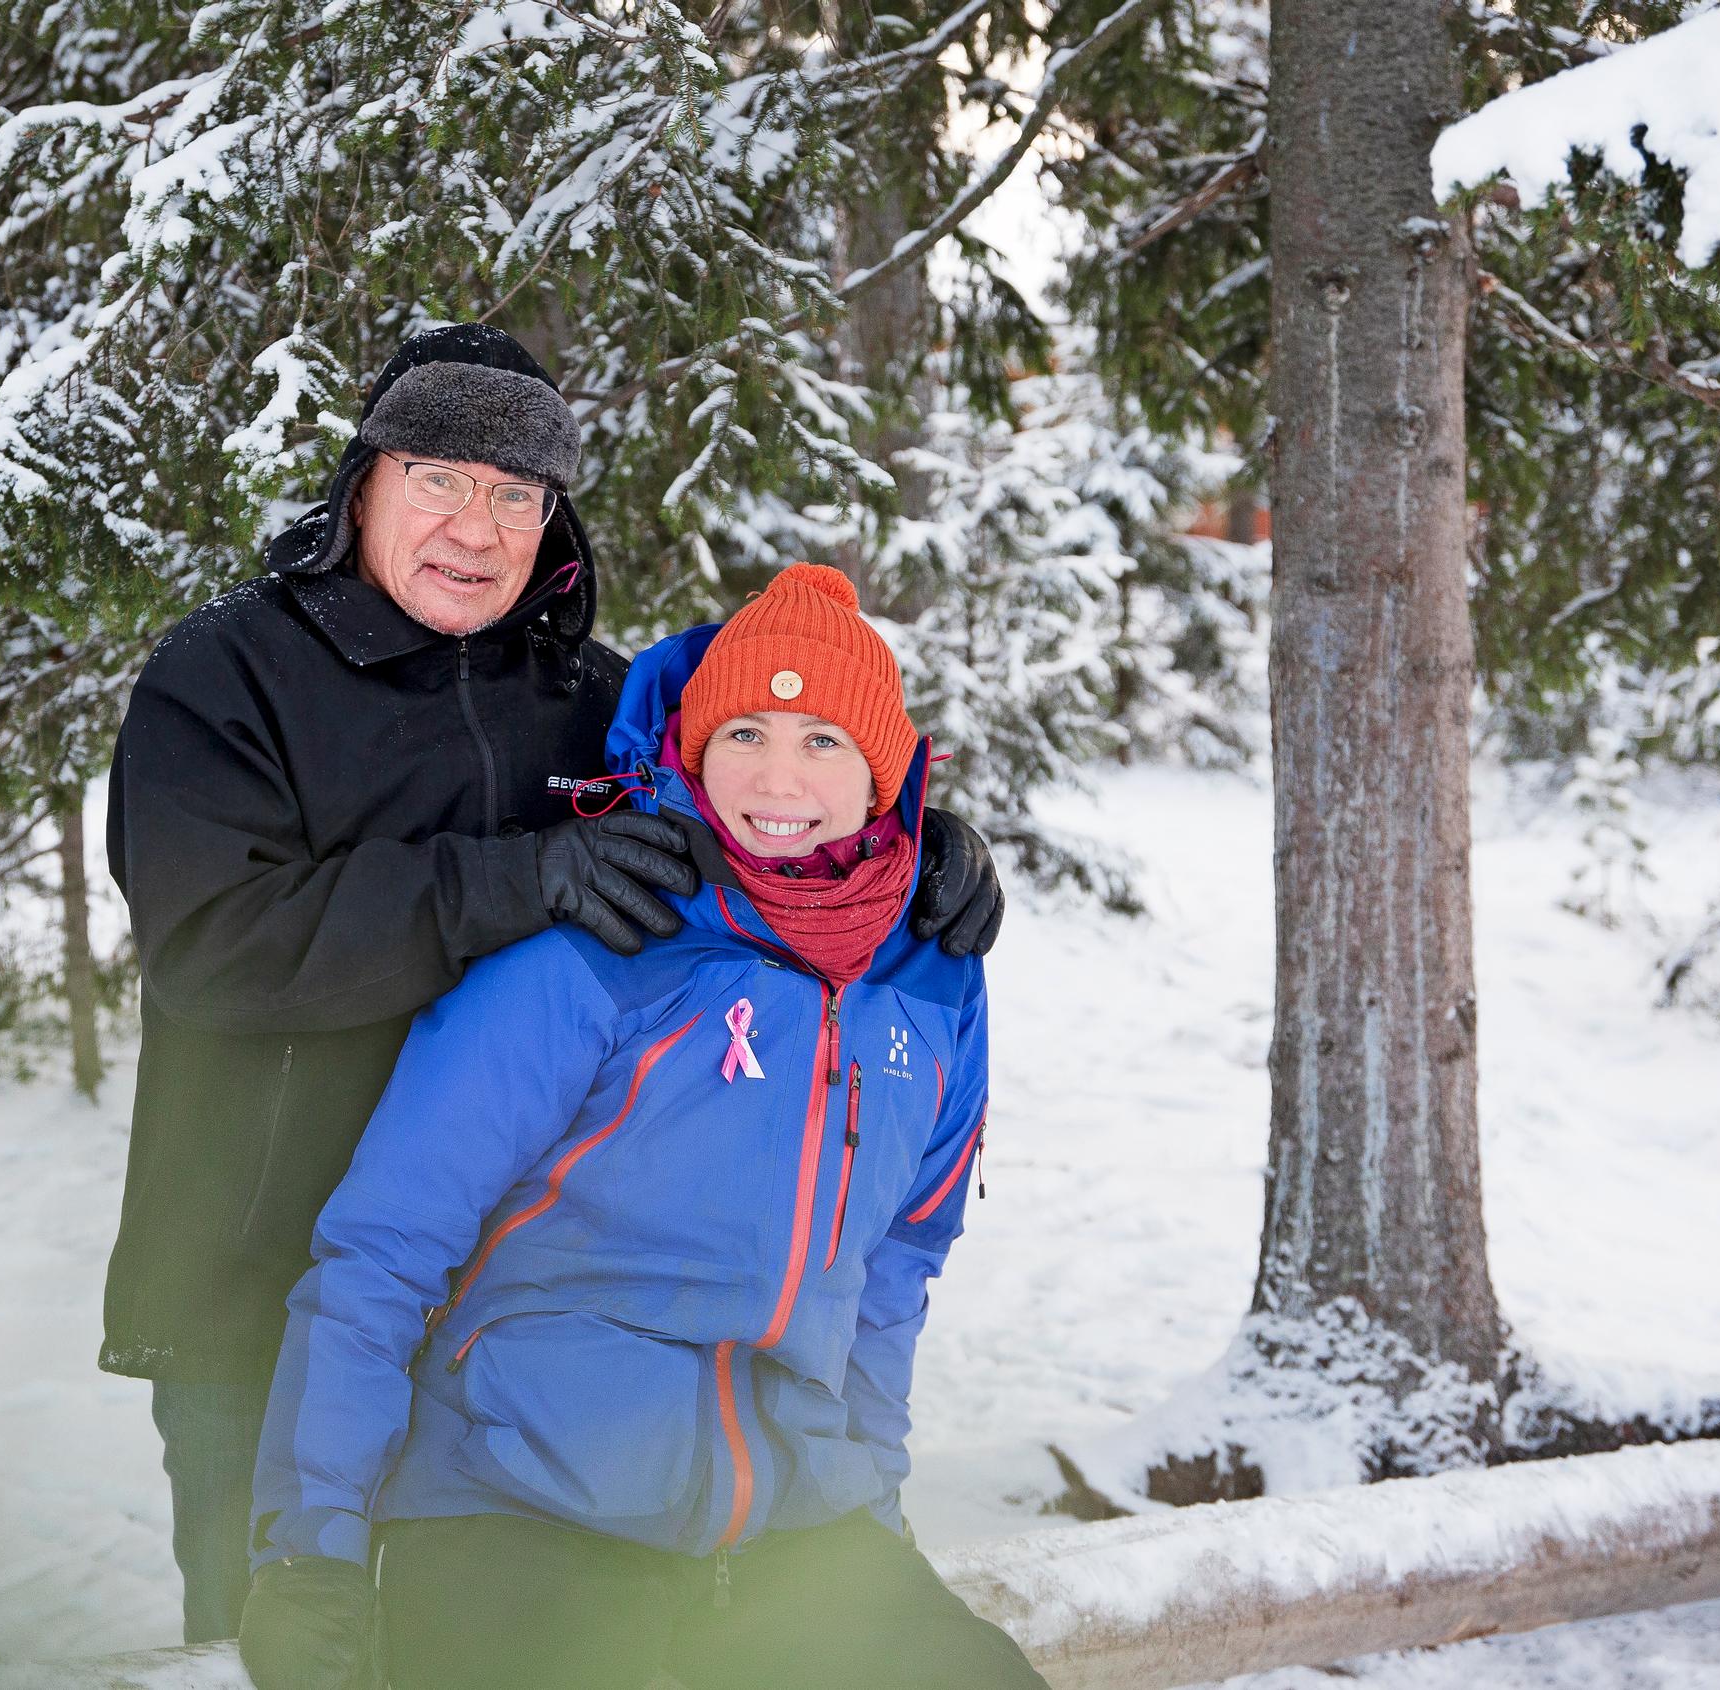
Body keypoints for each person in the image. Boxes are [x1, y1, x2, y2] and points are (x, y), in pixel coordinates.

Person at [103, 326, 1011, 1645]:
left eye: (515, 494)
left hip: (532, 1317)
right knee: (298, 1648)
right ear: (363, 482)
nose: (476, 525)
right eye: (438, 478)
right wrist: (520, 879)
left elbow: (761, 768)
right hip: (268, 1274)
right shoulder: (227, 677)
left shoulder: (587, 696)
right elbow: (215, 943)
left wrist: (914, 836)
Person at [240, 563, 1049, 1690]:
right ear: (690, 750)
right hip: (516, 1501)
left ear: (880, 772)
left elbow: (893, 1269)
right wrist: (310, 1549)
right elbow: (385, 1243)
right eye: (746, 733)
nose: (777, 775)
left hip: (788, 1520)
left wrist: (872, 1509)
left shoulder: (930, 983)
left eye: (823, 740)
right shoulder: (599, 943)